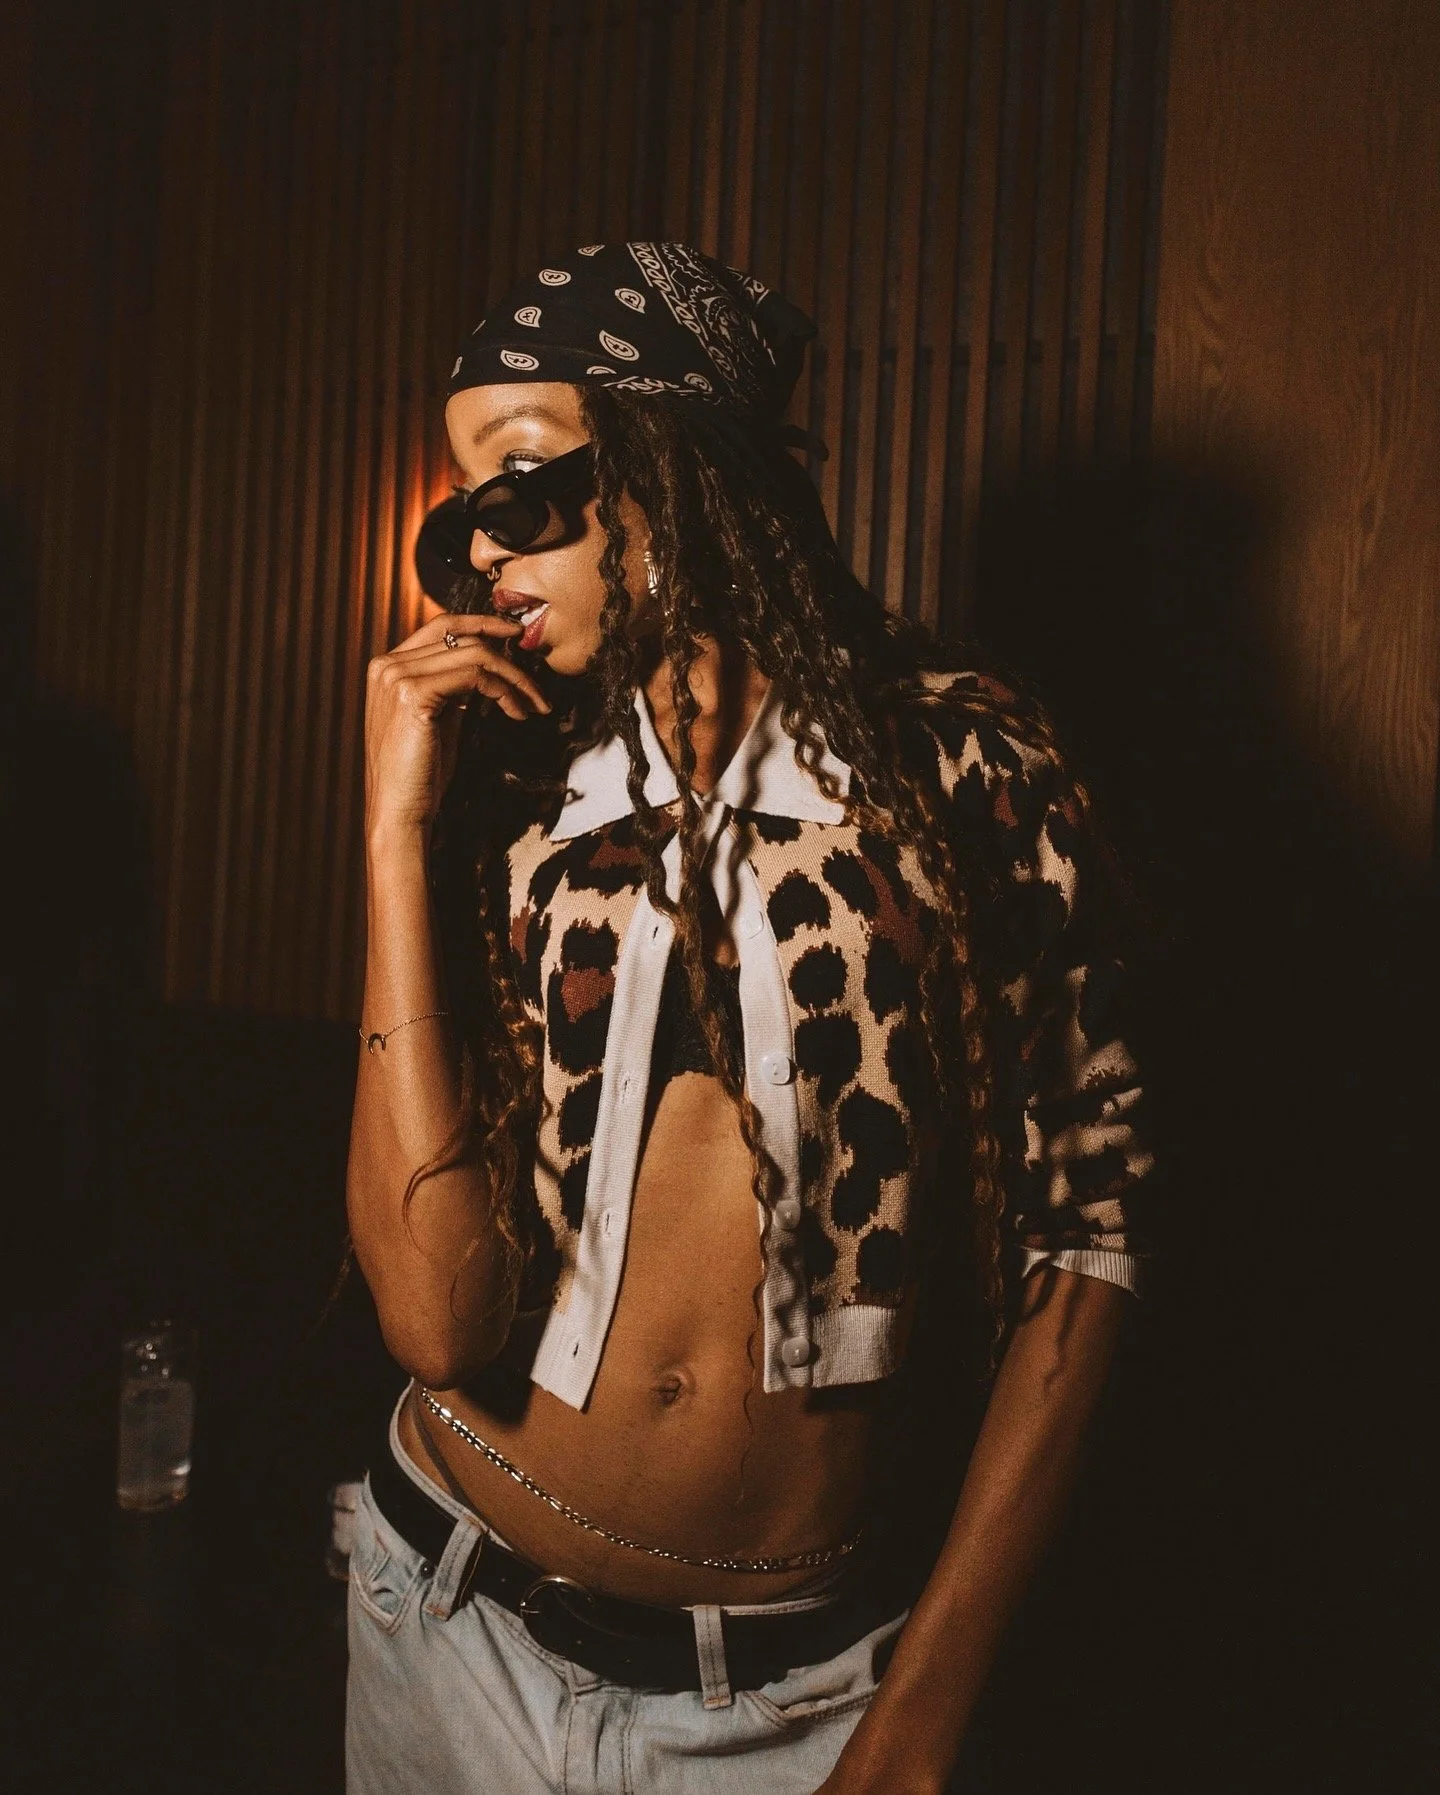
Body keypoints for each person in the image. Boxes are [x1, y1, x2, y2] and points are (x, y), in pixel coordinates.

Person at [344, 241, 1153, 1795]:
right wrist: (391, 832)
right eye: (458, 510)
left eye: (514, 483)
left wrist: (921, 1713)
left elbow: (1091, 1244)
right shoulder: (517, 801)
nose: (475, 553)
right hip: (442, 1628)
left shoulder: (966, 783)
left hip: (791, 1709)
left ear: (663, 459)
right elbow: (435, 1321)